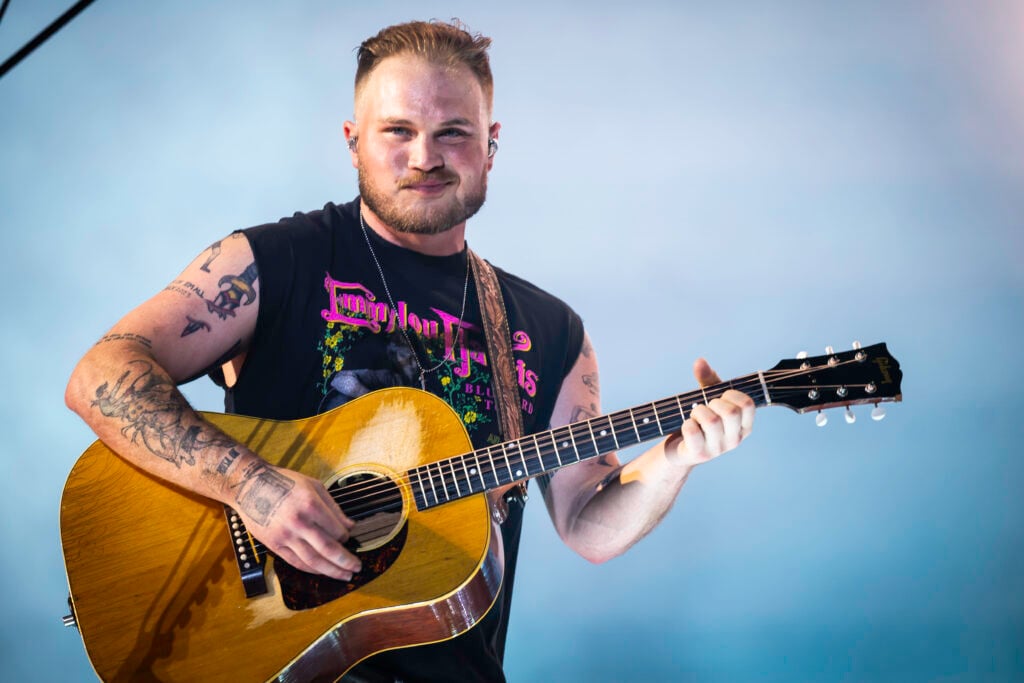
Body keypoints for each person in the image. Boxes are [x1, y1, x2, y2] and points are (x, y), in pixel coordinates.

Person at [65, 19, 755, 682]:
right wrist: (251, 484)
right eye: (398, 130)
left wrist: (675, 457)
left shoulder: (551, 330)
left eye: (453, 132)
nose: (425, 157)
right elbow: (102, 373)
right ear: (353, 139)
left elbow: (588, 523)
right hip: (271, 656)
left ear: (491, 143)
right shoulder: (272, 261)